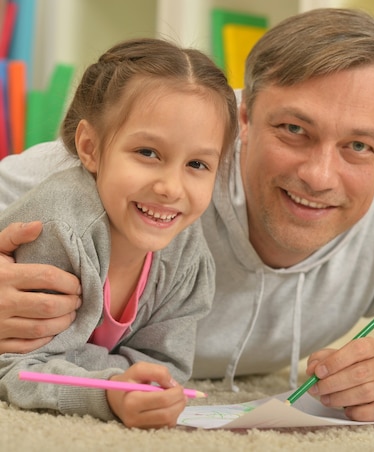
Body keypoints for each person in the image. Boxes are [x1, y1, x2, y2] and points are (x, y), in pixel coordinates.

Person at [0, 9, 374, 422]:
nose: (319, 175)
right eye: (294, 129)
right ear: (244, 117)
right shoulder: (161, 142)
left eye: (359, 146)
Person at [0, 37, 238, 428]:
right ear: (91, 148)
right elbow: (17, 370)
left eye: (197, 163)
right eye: (148, 153)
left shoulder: (188, 254)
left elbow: (167, 368)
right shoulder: (57, 228)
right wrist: (107, 389)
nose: (171, 188)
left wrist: (130, 383)